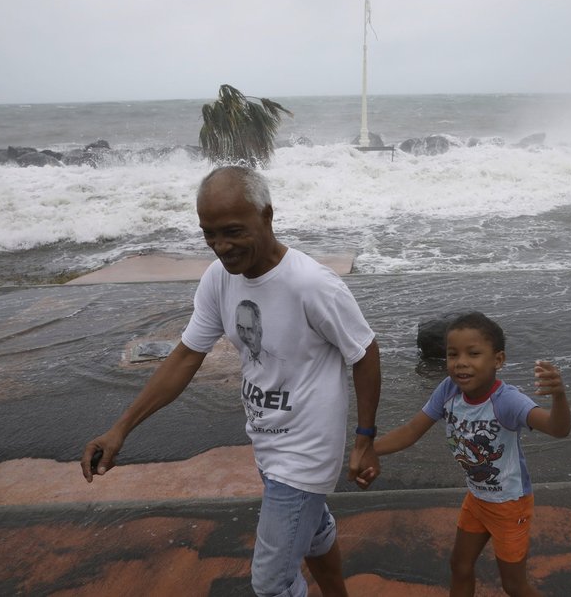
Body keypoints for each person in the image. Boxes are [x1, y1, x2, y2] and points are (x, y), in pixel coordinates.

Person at [80, 165, 382, 597]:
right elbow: (185, 357)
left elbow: (365, 351)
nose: (221, 246)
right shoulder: (219, 279)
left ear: (267, 216)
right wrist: (120, 429)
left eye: (233, 231)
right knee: (314, 535)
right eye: (209, 233)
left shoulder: (312, 285)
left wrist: (364, 437)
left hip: (303, 457)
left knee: (271, 583)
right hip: (266, 442)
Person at [367, 311, 571, 597]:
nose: (461, 362)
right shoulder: (448, 390)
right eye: (453, 354)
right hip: (477, 499)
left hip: (509, 504)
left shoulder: (507, 401)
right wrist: (366, 448)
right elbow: (411, 431)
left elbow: (557, 428)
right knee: (459, 566)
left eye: (473, 353)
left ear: (497, 360)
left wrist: (559, 396)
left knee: (514, 585)